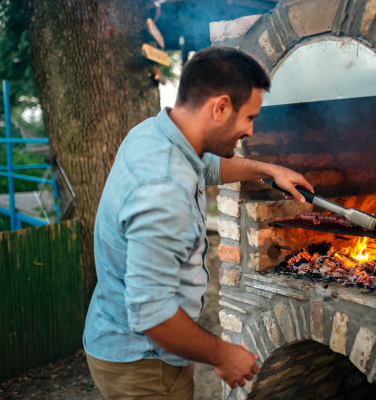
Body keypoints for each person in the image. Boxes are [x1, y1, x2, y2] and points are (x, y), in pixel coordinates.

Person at [83, 47, 314, 399]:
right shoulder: (163, 189)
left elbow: (209, 166)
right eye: (249, 117)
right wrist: (224, 355)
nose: (251, 130)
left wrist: (270, 170)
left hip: (133, 345)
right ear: (219, 108)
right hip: (146, 364)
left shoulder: (156, 134)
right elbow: (152, 314)